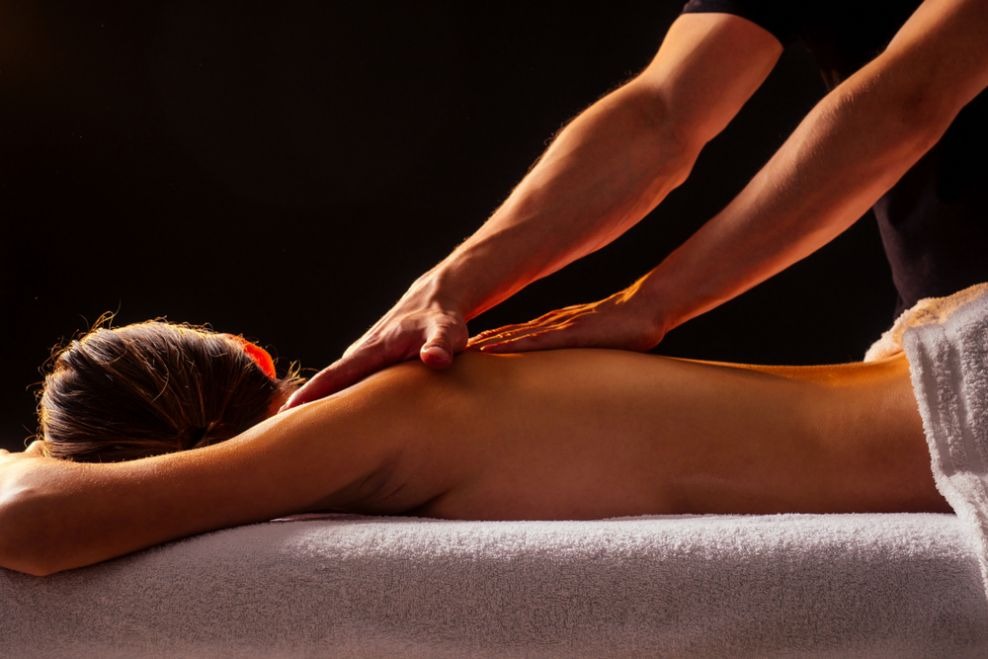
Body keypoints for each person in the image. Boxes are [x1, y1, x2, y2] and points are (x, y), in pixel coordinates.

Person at [281, 0, 988, 411]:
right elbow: (662, 114)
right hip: (942, 342)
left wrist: (650, 303)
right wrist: (448, 285)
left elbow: (911, 94)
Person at [0, 318, 949, 577]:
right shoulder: (390, 407)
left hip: (950, 415)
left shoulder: (369, 417)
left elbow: (26, 522)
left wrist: (34, 458)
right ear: (249, 353)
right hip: (933, 407)